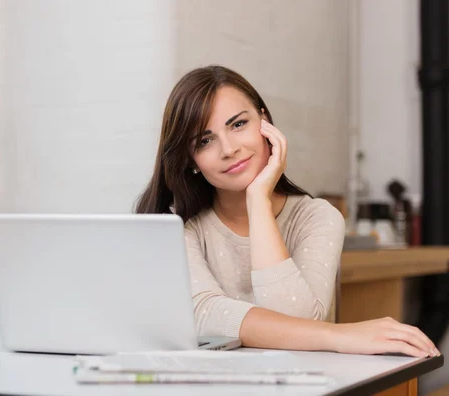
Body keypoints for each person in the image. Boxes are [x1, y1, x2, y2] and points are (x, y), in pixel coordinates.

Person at [136, 65, 440, 357]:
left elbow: (294, 320)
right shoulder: (177, 225)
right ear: (191, 160)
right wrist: (339, 335)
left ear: (264, 122)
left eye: (239, 124)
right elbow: (206, 314)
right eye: (205, 141)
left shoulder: (318, 217)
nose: (228, 149)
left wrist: (258, 201)